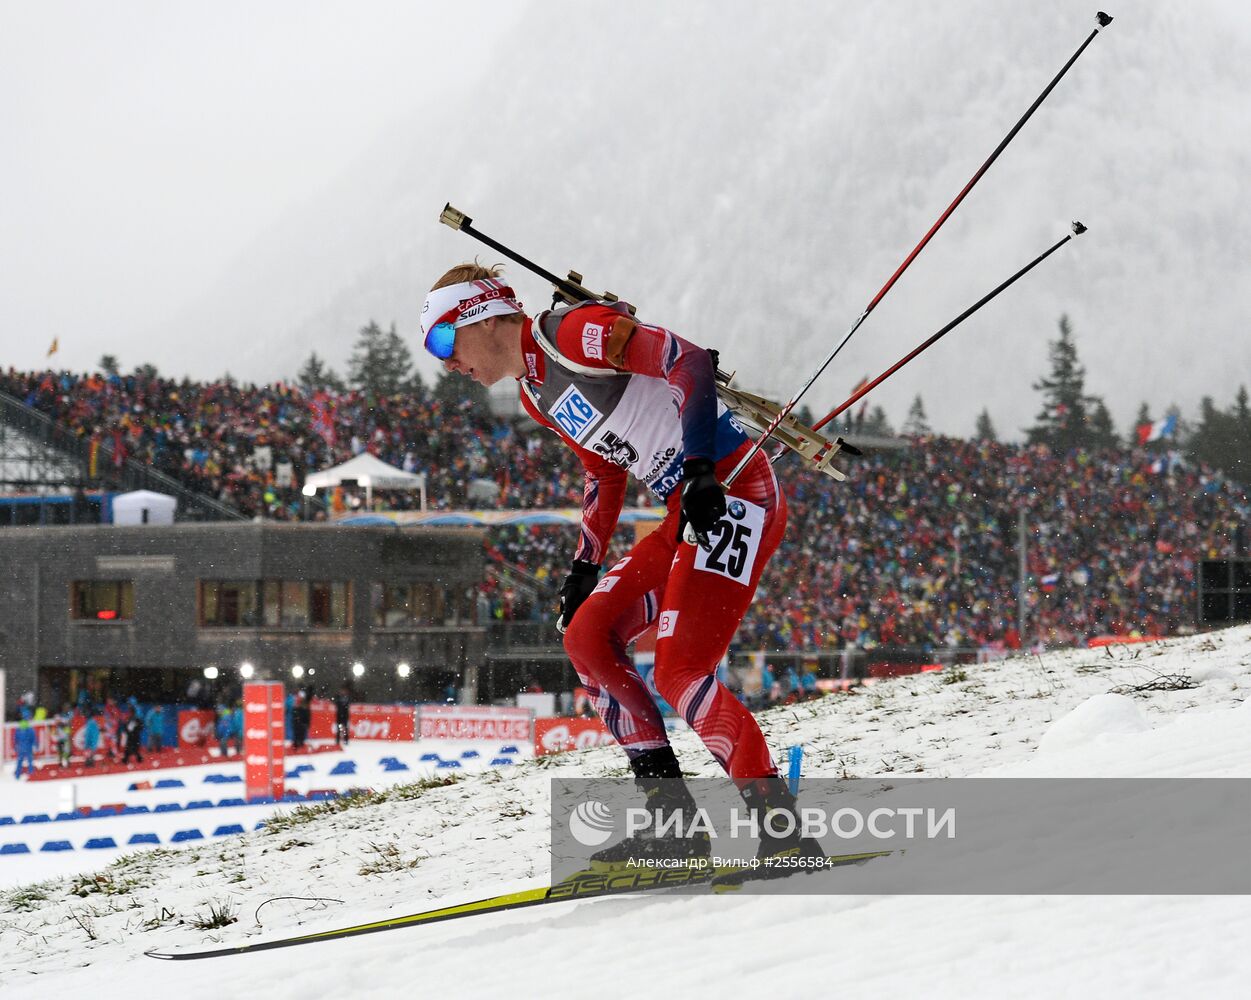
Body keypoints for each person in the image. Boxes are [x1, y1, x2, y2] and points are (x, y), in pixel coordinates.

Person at [420, 265, 816, 868]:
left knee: (680, 670)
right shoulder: (533, 392)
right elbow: (603, 470)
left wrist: (702, 465)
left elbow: (688, 362)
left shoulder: (571, 334)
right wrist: (585, 567)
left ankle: (781, 828)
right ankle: (673, 822)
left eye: (444, 340)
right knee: (587, 636)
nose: (445, 362)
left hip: (735, 489)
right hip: (685, 506)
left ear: (482, 314)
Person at [14, 713, 37, 779]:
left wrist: (15, 746)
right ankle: (31, 774)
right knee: (29, 760)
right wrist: (35, 745)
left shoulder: (19, 728)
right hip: (28, 746)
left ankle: (17, 775)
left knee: (20, 760)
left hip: (21, 746)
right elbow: (33, 738)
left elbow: (15, 738)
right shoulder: (29, 728)